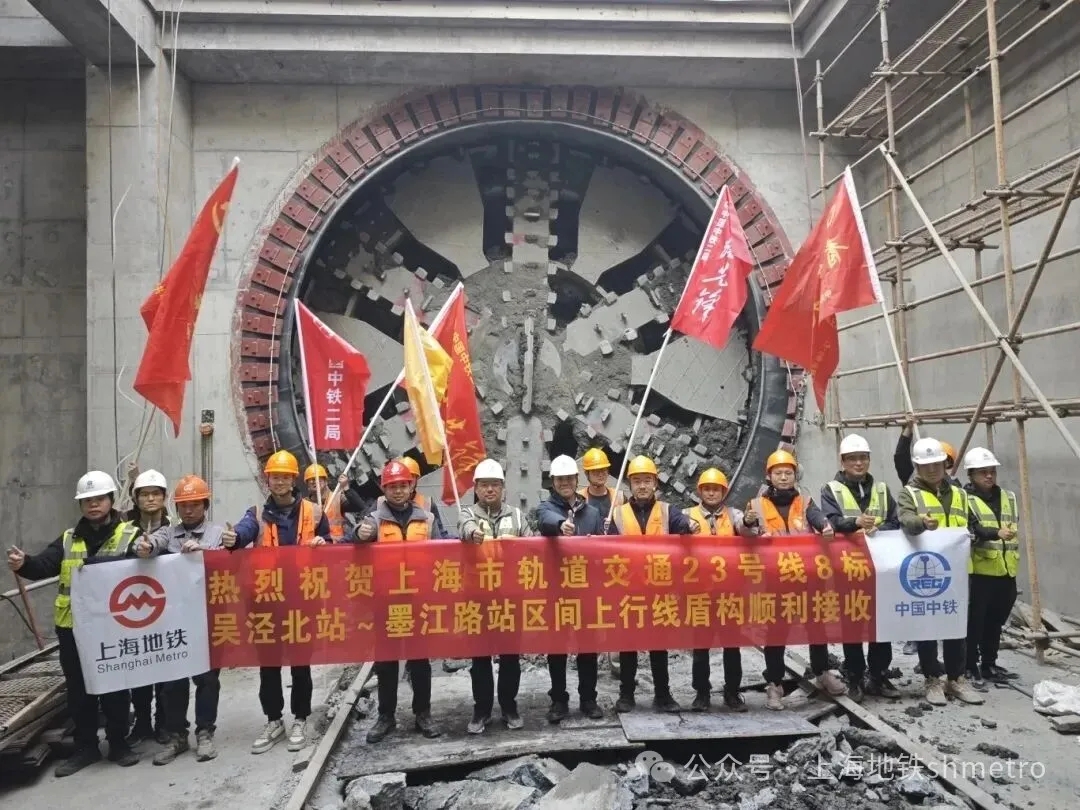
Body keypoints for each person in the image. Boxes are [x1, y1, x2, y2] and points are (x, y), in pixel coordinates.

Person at [7, 471, 142, 776]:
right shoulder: (69, 538)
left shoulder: (130, 535)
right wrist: (24, 563)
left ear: (111, 501)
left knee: (116, 687)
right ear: (81, 505)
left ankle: (119, 743)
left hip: (113, 627)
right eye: (87, 500)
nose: (93, 504)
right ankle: (86, 748)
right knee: (79, 691)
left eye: (99, 499)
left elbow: (149, 566)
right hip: (73, 629)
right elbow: (43, 565)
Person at [221, 449, 332, 754]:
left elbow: (331, 544)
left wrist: (323, 542)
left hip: (301, 600)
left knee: (300, 664)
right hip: (266, 602)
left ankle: (300, 718)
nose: (279, 482)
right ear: (267, 480)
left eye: (285, 477)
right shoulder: (256, 514)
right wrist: (234, 539)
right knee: (268, 665)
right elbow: (243, 533)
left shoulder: (314, 512)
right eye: (274, 477)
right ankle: (273, 720)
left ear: (293, 480)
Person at [747, 450, 846, 710]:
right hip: (774, 580)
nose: (783, 477)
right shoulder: (756, 505)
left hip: (806, 576)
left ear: (795, 475)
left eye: (788, 473)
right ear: (769, 477)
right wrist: (750, 529)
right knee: (776, 632)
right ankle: (775, 683)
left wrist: (825, 526)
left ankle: (822, 671)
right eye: (778, 473)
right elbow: (745, 531)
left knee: (816, 626)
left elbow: (817, 518)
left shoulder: (805, 501)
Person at [137, 475, 225, 765]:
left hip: (207, 619)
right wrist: (145, 547)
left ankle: (205, 732)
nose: (188, 510)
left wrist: (205, 554)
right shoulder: (168, 534)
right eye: (184, 505)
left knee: (207, 679)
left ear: (205, 505)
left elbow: (229, 560)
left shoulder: (216, 534)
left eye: (195, 504)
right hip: (174, 620)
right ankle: (177, 735)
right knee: (173, 681)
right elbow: (153, 544)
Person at [355, 460, 445, 743]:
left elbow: (443, 550)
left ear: (411, 486)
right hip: (386, 602)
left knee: (420, 661)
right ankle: (386, 716)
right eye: (392, 486)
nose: (398, 490)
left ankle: (423, 714)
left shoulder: (427, 517)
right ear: (384, 489)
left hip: (418, 600)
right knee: (386, 662)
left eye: (403, 485)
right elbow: (351, 541)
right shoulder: (374, 517)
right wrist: (359, 535)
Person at [896, 438, 984, 706]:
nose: (932, 469)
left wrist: (974, 536)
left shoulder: (959, 493)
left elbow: (973, 524)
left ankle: (956, 678)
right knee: (928, 626)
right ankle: (932, 678)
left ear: (945, 463)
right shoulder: (909, 494)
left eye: (936, 464)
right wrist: (921, 522)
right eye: (926, 465)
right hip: (927, 573)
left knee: (956, 626)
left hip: (958, 571)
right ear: (916, 467)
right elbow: (906, 520)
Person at [608, 455, 698, 713]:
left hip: (659, 590)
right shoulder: (618, 514)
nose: (642, 486)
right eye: (637, 481)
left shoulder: (668, 511)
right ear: (630, 485)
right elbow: (609, 551)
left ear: (655, 483)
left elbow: (681, 524)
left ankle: (663, 695)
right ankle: (626, 695)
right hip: (629, 590)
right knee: (628, 646)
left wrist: (689, 525)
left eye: (647, 480)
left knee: (659, 646)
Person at [819, 434, 903, 702]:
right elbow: (831, 521)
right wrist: (855, 523)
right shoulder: (831, 489)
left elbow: (895, 521)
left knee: (882, 623)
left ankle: (878, 675)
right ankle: (855, 676)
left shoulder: (881, 489)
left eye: (863, 458)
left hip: (880, 568)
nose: (858, 463)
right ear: (842, 462)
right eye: (852, 459)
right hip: (849, 567)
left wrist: (880, 528)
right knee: (852, 623)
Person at [458, 459, 529, 734]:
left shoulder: (518, 516)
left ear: (503, 487)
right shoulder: (468, 514)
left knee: (510, 657)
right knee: (480, 658)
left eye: (495, 485)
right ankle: (482, 710)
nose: (490, 490)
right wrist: (472, 533)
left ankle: (509, 707)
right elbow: (463, 527)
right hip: (478, 600)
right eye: (484, 485)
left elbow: (532, 545)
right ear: (476, 488)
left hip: (510, 599)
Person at [537, 455, 605, 723]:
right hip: (557, 592)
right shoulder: (546, 508)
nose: (565, 483)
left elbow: (601, 553)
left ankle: (588, 699)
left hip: (585, 592)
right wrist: (560, 526)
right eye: (560, 479)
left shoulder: (592, 513)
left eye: (569, 478)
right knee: (557, 649)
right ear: (553, 482)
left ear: (577, 480)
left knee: (587, 648)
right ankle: (558, 700)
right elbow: (546, 520)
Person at [685, 468, 758, 712]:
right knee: (701, 646)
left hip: (729, 593)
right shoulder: (688, 515)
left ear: (723, 492)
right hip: (700, 593)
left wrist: (748, 522)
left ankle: (732, 692)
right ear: (700, 491)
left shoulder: (734, 514)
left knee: (731, 645)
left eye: (716, 489)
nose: (711, 493)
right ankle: (702, 693)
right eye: (707, 489)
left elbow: (748, 532)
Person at [962, 447, 1021, 686]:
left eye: (992, 471)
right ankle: (969, 665)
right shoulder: (964, 499)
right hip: (980, 572)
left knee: (996, 621)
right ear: (971, 475)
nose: (989, 476)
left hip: (1006, 570)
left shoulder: (1008, 497)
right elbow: (971, 529)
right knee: (975, 622)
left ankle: (989, 663)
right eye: (982, 472)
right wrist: (995, 533)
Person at [125, 468, 171, 746]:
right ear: (136, 498)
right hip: (132, 609)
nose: (150, 499)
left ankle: (163, 723)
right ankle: (142, 723)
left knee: (164, 670)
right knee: (138, 668)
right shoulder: (124, 528)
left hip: (162, 609)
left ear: (164, 497)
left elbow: (162, 544)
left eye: (155, 494)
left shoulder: (173, 528)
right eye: (144, 494)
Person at [303, 464, 367, 542]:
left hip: (337, 544)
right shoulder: (303, 505)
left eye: (318, 478)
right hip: (315, 545)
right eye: (311, 480)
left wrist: (346, 487)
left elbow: (359, 506)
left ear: (326, 481)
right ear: (307, 485)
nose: (315, 481)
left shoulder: (336, 498)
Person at [395, 456, 448, 537]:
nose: (407, 481)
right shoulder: (380, 504)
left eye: (411, 477)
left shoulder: (428, 504)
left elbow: (440, 535)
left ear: (417, 478)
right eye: (403, 477)